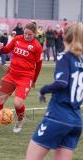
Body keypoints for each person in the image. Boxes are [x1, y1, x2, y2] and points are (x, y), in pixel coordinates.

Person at [26, 22, 83, 160]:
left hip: (58, 116)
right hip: (76, 121)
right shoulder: (81, 59)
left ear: (64, 37)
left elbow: (61, 83)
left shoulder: (65, 56)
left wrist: (43, 90)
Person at [0, 22, 43, 136]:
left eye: (29, 34)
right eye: (25, 33)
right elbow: (6, 50)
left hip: (26, 77)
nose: (26, 36)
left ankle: (20, 120)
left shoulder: (37, 46)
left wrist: (34, 80)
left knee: (17, 103)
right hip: (11, 74)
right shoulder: (17, 39)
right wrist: (0, 48)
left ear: (34, 34)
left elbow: (39, 65)